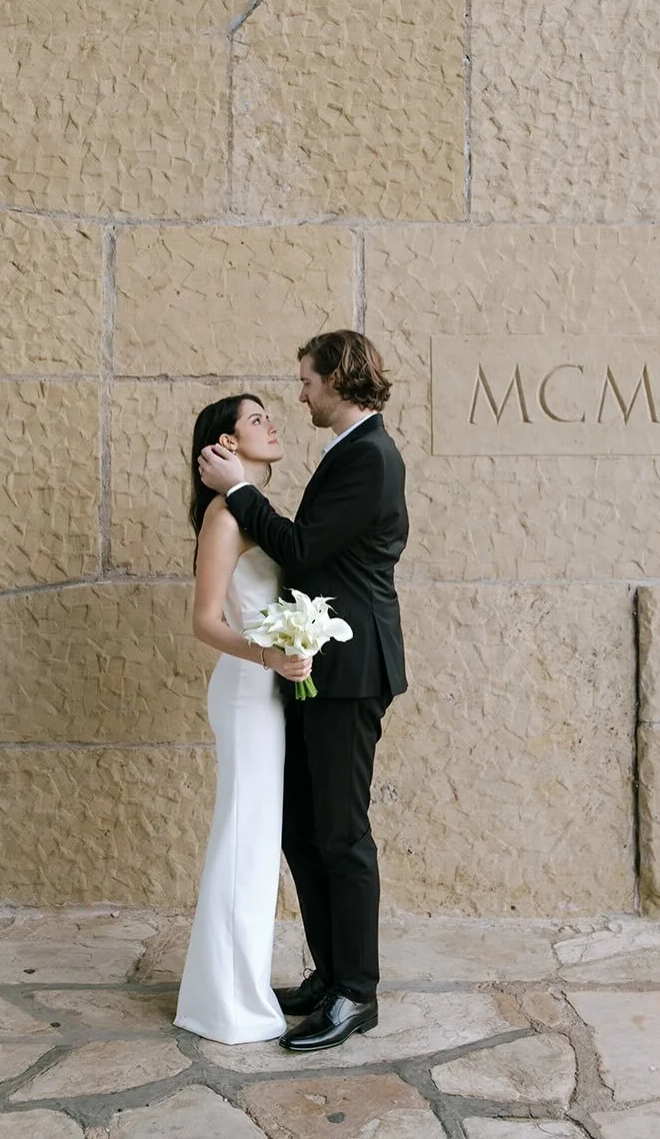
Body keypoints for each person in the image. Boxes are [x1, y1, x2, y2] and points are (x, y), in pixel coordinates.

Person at [198, 330, 408, 1053]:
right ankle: (329, 974)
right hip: (315, 669)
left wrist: (238, 490)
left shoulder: (369, 457)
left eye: (306, 381)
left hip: (350, 674)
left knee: (342, 835)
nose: (300, 394)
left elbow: (302, 549)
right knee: (304, 830)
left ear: (337, 379)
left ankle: (358, 993)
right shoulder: (349, 452)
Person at [174, 393, 313, 1045]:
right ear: (225, 444)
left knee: (258, 841)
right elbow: (205, 620)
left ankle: (236, 988)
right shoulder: (224, 517)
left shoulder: (257, 510)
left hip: (271, 687)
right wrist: (266, 654)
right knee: (243, 840)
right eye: (255, 419)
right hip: (245, 690)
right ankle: (225, 1004)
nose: (271, 424)